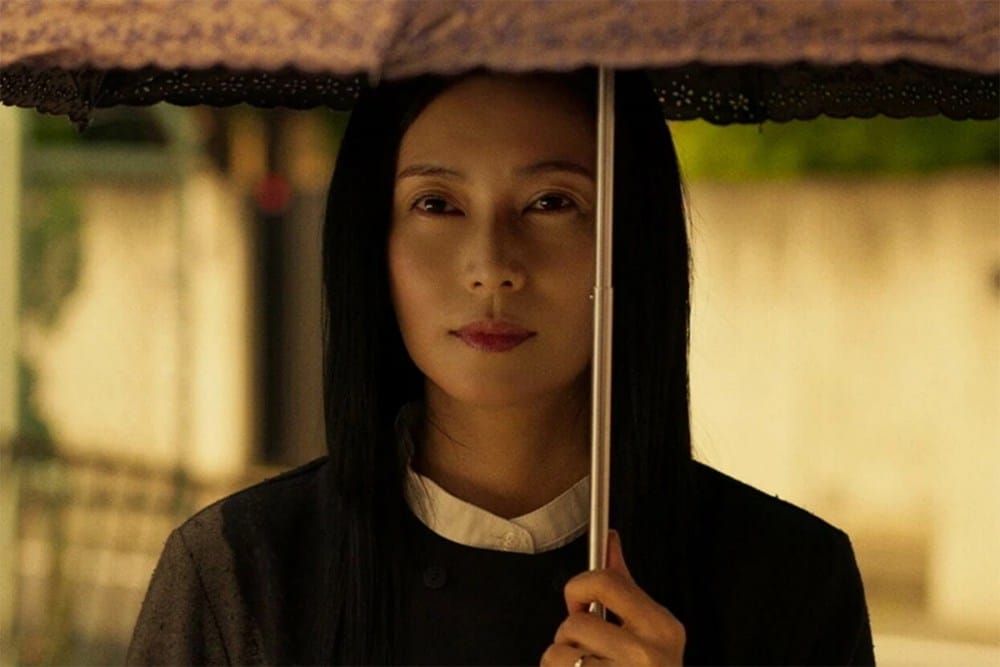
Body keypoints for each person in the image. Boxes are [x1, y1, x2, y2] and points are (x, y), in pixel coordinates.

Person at [127, 70, 875, 666]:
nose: (491, 265)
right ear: (373, 243)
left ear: (630, 239)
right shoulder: (239, 577)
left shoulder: (790, 584)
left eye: (551, 202)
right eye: (436, 204)